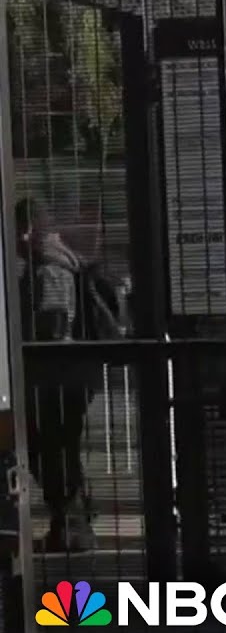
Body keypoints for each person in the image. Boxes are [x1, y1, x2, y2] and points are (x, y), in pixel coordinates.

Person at [15, 198, 96, 553]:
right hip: (61, 378)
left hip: (54, 380)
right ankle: (70, 525)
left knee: (52, 451)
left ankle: (73, 526)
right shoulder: (52, 262)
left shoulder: (50, 268)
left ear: (28, 229)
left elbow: (54, 326)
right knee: (57, 450)